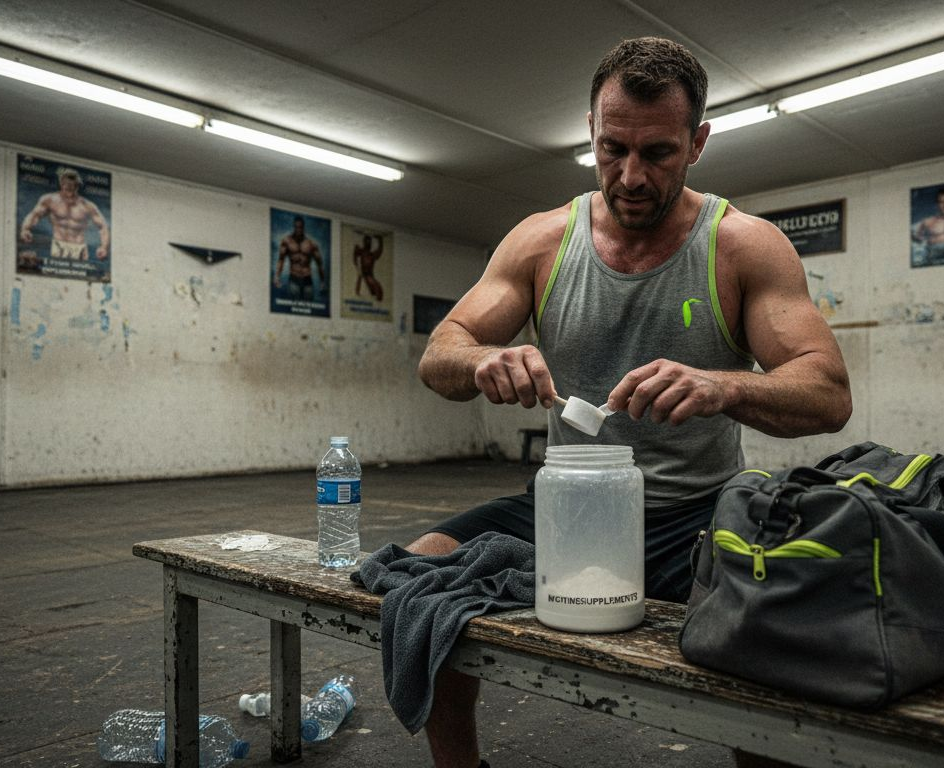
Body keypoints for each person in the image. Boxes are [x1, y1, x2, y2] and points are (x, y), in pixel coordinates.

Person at [412, 37, 851, 768]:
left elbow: (828, 392)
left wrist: (723, 385)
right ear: (591, 131)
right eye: (612, 149)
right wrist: (485, 357)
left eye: (658, 153)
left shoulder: (744, 246)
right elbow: (440, 354)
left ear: (697, 143)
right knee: (421, 578)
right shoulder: (541, 242)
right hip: (565, 503)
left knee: (777, 638)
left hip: (696, 512)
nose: (631, 175)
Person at [19, 167, 110, 261]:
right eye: (67, 184)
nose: (70, 187)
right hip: (59, 245)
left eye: (73, 185)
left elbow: (103, 226)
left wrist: (104, 247)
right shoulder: (49, 200)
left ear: (77, 186)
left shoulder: (88, 206)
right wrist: (25, 229)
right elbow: (34, 215)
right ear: (61, 184)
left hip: (79, 247)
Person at [274, 216, 325, 300]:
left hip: (307, 278)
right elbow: (281, 260)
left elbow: (319, 263)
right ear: (294, 227)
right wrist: (277, 276)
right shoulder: (287, 241)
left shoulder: (311, 244)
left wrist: (322, 281)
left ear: (303, 228)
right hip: (294, 278)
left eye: (300, 227)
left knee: (308, 305)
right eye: (296, 227)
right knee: (293, 304)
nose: (298, 229)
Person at [354, 233, 385, 301]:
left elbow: (379, 251)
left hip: (369, 275)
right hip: (365, 275)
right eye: (366, 241)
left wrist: (380, 241)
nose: (368, 243)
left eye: (369, 242)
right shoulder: (361, 252)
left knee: (375, 287)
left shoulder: (372, 255)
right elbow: (355, 259)